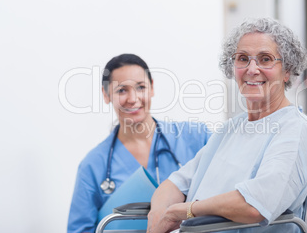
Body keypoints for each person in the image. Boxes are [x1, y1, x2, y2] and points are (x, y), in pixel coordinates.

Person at [147, 18, 307, 233]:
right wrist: (158, 213)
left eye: (265, 59)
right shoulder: (231, 129)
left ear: (287, 70)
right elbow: (175, 183)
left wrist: (185, 211)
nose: (252, 69)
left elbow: (255, 205)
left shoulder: (295, 130)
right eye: (242, 59)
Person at [67, 54, 211, 233]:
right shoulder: (93, 165)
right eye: (121, 90)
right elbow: (79, 229)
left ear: (152, 88)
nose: (133, 98)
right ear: (106, 95)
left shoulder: (197, 137)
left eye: (140, 87)